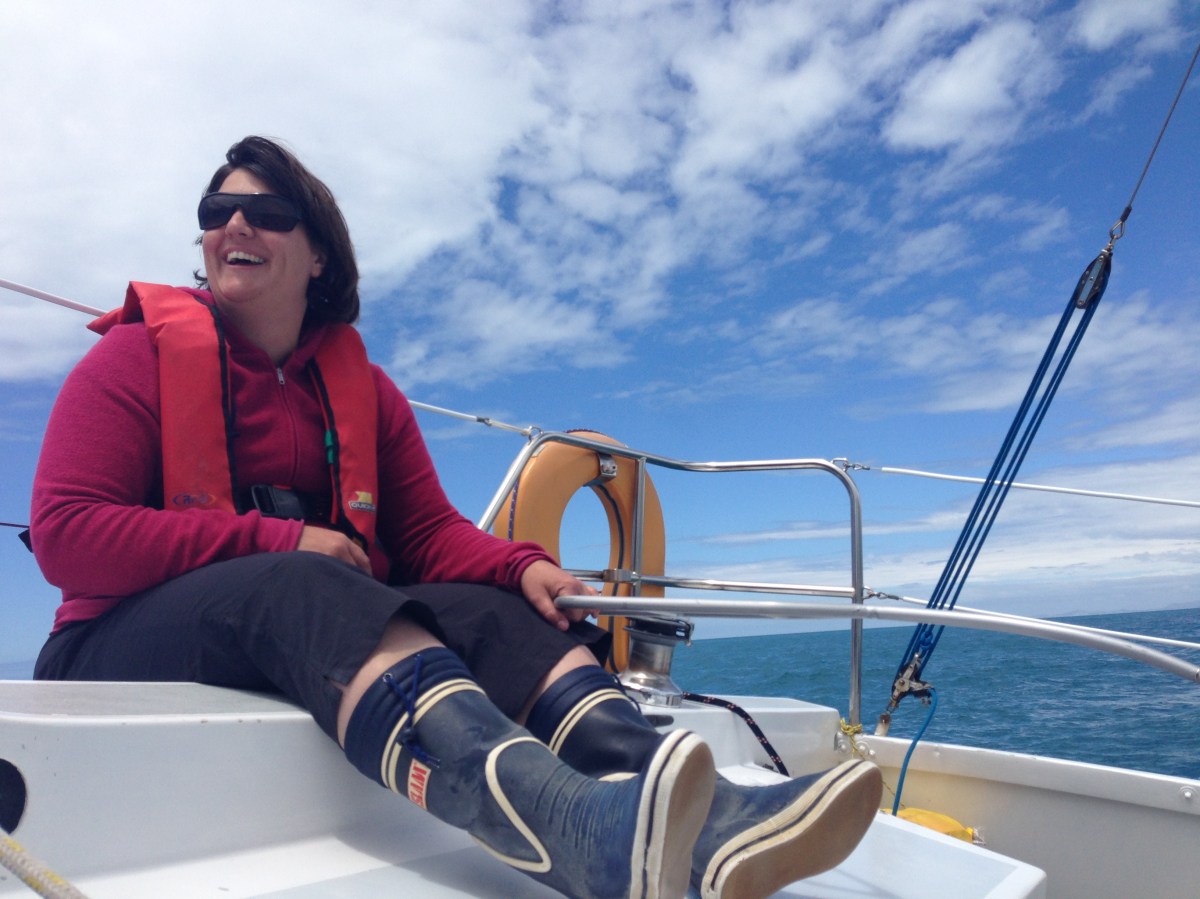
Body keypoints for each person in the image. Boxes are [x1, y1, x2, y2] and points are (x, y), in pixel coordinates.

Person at [29, 135, 881, 899]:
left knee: (496, 608)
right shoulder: (134, 358)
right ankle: (575, 832)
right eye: (217, 210)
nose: (236, 225)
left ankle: (714, 823)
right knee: (305, 579)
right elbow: (66, 535)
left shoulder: (366, 394)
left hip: (284, 630)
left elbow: (428, 534)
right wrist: (279, 536)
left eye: (268, 212)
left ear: (320, 254)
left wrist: (521, 566)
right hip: (112, 648)